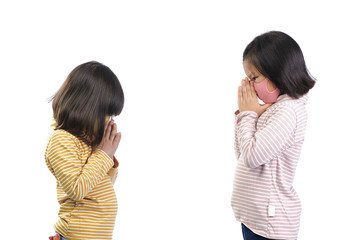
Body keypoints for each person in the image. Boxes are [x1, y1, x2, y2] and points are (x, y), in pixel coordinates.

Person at [231, 31, 315, 240]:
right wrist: (246, 114)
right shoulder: (274, 109)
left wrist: (249, 114)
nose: (249, 85)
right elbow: (242, 154)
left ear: (278, 73)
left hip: (271, 224)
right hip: (255, 218)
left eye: (254, 78)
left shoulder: (288, 112)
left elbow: (251, 158)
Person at [45, 61, 124, 240]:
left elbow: (103, 184)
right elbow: (77, 189)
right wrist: (103, 154)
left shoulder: (88, 143)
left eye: (111, 116)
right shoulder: (62, 140)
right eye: (105, 114)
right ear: (84, 107)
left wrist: (107, 154)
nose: (108, 121)